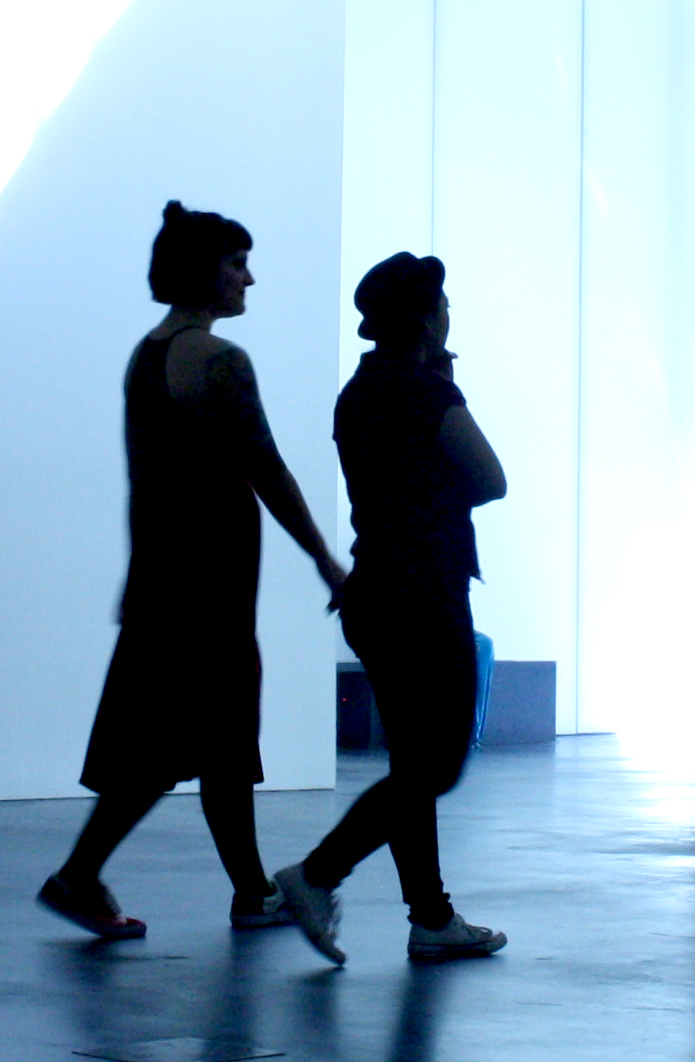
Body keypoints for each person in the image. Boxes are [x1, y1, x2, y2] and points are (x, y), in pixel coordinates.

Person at [38, 203, 349, 941]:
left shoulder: (147, 354)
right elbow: (266, 469)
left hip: (167, 573)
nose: (250, 277)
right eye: (237, 262)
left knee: (197, 742)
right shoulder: (218, 362)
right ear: (203, 270)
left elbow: (146, 479)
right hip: (206, 579)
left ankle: (241, 891)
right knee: (195, 741)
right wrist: (325, 559)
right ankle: (90, 877)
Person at [270, 252, 511, 965]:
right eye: (444, 305)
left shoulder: (359, 392)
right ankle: (315, 875)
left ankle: (431, 918)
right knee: (432, 770)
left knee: (413, 765)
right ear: (427, 319)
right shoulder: (427, 393)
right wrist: (445, 388)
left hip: (373, 591)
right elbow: (492, 480)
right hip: (426, 595)